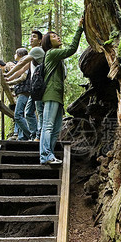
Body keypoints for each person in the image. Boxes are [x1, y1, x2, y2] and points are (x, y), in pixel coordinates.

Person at [39, 17, 84, 165]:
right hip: (51, 94)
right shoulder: (51, 53)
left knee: (56, 127)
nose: (57, 37)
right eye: (53, 36)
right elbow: (72, 49)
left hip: (57, 96)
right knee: (48, 125)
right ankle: (45, 156)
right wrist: (80, 28)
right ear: (47, 42)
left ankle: (49, 155)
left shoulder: (56, 58)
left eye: (57, 35)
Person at [5, 30, 45, 141]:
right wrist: (8, 78)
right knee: (28, 112)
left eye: (34, 37)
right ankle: (34, 136)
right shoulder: (33, 53)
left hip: (38, 86)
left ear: (40, 40)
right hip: (34, 88)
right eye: (31, 37)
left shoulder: (37, 50)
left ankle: (37, 136)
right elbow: (22, 69)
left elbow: (21, 65)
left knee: (38, 112)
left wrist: (8, 75)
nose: (31, 39)